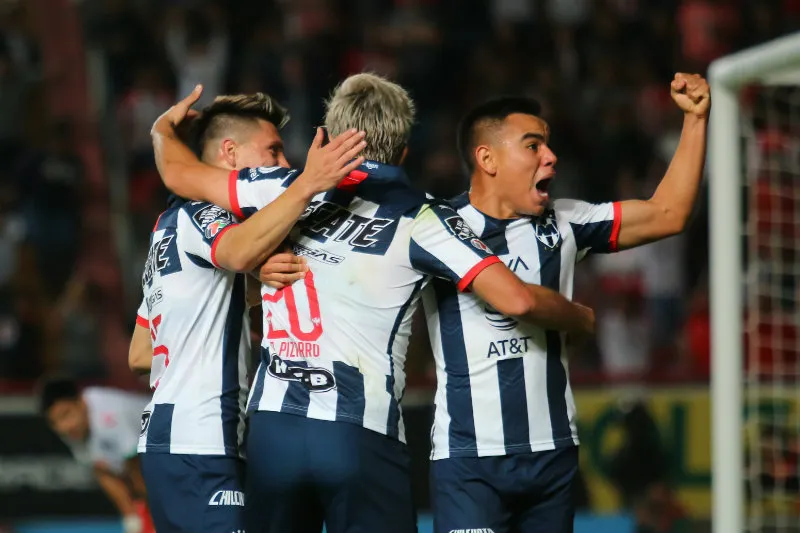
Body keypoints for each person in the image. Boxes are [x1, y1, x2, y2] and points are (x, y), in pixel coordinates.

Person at [151, 73, 594, 533]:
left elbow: (178, 173)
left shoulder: (283, 185)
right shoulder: (425, 218)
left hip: (273, 432)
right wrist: (579, 317)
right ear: (404, 149)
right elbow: (517, 300)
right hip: (359, 433)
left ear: (337, 133)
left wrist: (163, 129)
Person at [426, 73, 710, 533]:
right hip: (469, 460)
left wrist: (695, 119)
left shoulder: (567, 221)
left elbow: (668, 213)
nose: (551, 157)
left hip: (551, 455)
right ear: (488, 158)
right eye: (533, 145)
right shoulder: (434, 226)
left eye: (549, 145)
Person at [132, 91, 366, 533]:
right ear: (230, 152)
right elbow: (237, 252)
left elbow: (140, 353)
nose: (281, 163)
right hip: (203, 440)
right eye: (273, 150)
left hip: (164, 444)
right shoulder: (205, 213)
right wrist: (306, 184)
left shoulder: (166, 231)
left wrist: (248, 286)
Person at [39, 378, 154, 533]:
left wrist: (152, 516)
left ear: (81, 402)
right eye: (55, 422)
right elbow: (103, 471)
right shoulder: (73, 428)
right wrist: (131, 520)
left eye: (66, 414)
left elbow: (138, 470)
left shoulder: (111, 414)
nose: (63, 426)